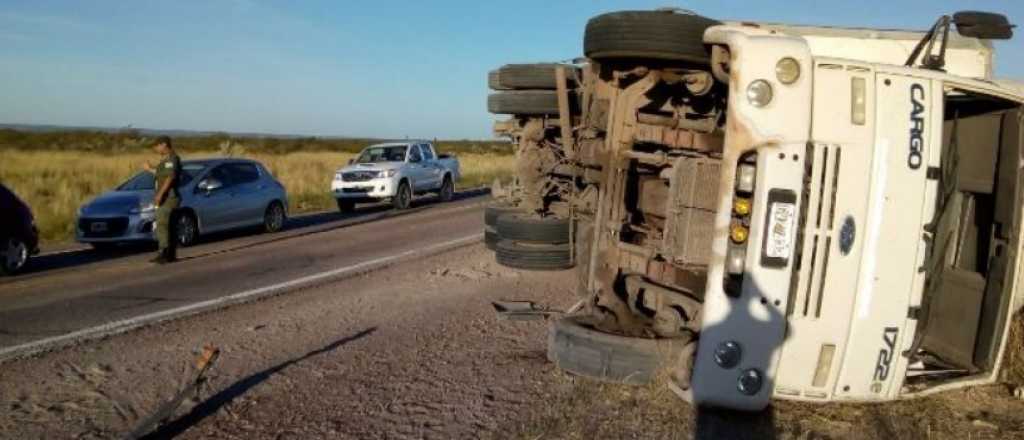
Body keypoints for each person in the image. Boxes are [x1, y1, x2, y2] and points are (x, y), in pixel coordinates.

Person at [143, 136, 182, 264]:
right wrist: (150, 169)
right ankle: (170, 254)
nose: (156, 149)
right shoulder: (165, 160)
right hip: (166, 196)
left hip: (168, 197)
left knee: (162, 224)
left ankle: (163, 253)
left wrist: (160, 194)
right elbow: (162, 175)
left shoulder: (172, 159)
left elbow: (170, 178)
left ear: (164, 144)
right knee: (168, 225)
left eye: (157, 146)